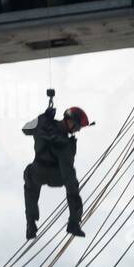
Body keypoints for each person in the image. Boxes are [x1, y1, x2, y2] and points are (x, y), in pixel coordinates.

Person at [22, 98, 91, 240]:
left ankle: (30, 223)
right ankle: (73, 223)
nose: (77, 131)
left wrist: (43, 117)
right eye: (77, 127)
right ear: (70, 121)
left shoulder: (43, 124)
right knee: (72, 185)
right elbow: (67, 172)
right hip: (56, 176)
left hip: (39, 172)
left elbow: (26, 129)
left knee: (29, 178)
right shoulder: (66, 143)